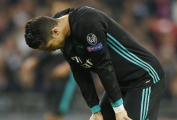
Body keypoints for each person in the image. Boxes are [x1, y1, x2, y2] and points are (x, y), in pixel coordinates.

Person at [24, 6, 166, 120]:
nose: (50, 51)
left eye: (48, 47)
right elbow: (78, 70)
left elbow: (103, 65)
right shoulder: (58, 29)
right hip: (120, 82)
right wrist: (95, 109)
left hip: (143, 77)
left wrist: (119, 109)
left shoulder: (87, 22)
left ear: (55, 32)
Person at [21, 52, 76, 120]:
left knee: (58, 111)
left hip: (67, 79)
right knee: (50, 111)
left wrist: (68, 65)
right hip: (52, 79)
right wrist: (35, 60)